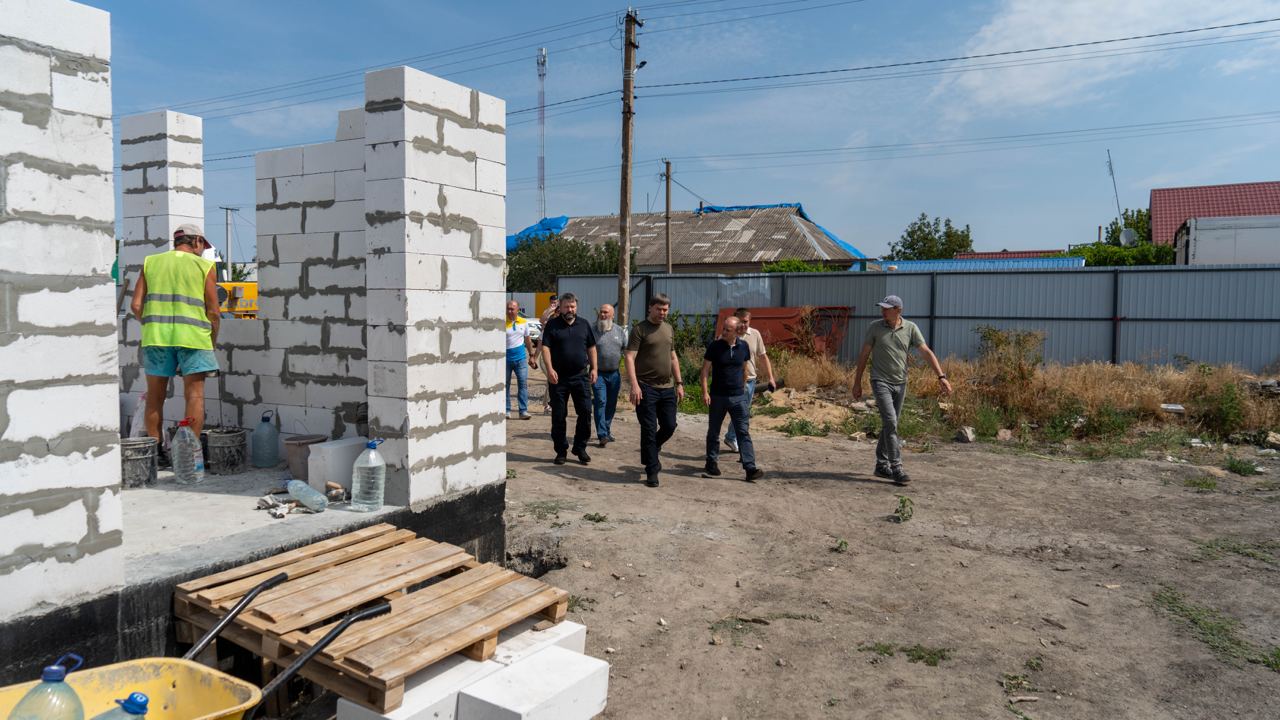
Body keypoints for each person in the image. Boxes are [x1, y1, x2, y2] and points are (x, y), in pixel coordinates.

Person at [129, 223, 221, 463]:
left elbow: (136, 306)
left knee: (155, 396)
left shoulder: (151, 262)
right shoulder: (205, 266)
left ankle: (155, 456)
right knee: (194, 397)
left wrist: (152, 325)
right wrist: (212, 340)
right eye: (202, 246)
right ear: (197, 242)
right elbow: (214, 311)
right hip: (193, 339)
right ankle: (188, 457)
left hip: (156, 338)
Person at [851, 295, 952, 485]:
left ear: (898, 310)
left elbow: (926, 352)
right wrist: (857, 382)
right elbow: (864, 355)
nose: (883, 311)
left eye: (887, 308)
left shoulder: (910, 328)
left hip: (901, 382)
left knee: (891, 424)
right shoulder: (875, 327)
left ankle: (881, 465)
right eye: (882, 308)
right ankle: (896, 468)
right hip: (880, 380)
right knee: (890, 421)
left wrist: (941, 377)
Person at [625, 294, 685, 487]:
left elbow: (673, 357)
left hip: (667, 388)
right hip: (646, 387)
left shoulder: (668, 328)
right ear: (650, 308)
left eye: (665, 310)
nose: (662, 313)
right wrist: (634, 385)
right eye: (659, 309)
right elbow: (629, 358)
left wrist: (680, 382)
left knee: (669, 425)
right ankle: (652, 469)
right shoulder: (639, 330)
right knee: (649, 429)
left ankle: (653, 448)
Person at [701, 316, 765, 482]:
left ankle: (750, 468)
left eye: (727, 330)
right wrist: (705, 392)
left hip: (738, 397)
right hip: (718, 396)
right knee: (714, 432)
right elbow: (705, 371)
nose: (723, 332)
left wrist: (743, 388)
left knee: (743, 431)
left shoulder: (743, 347)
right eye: (724, 328)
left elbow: (744, 369)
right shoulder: (715, 347)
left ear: (736, 332)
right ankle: (711, 463)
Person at [539, 293, 597, 465]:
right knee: (558, 415)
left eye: (572, 306)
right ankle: (561, 450)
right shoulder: (553, 325)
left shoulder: (584, 324)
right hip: (559, 378)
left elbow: (591, 348)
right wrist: (549, 369)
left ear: (576, 307)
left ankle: (580, 447)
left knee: (586, 411)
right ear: (560, 307)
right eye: (566, 307)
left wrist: (594, 368)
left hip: (580, 376)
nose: (570, 310)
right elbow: (546, 348)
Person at [723, 307, 777, 453]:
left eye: (747, 321)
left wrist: (771, 378)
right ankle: (735, 439)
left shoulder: (755, 334)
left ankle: (733, 437)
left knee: (743, 412)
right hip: (733, 381)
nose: (744, 325)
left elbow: (763, 356)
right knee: (740, 412)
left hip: (750, 380)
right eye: (741, 321)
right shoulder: (729, 335)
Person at [591, 304, 627, 448]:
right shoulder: (593, 330)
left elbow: (626, 350)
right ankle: (602, 434)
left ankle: (606, 429)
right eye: (601, 312)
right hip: (597, 373)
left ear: (612, 315)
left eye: (606, 312)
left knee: (611, 404)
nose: (603, 314)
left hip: (614, 374)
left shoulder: (619, 331)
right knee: (600, 401)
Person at [505, 300, 535, 420]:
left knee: (522, 385)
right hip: (505, 359)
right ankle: (506, 410)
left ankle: (523, 411)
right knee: (505, 386)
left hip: (521, 359)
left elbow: (527, 339)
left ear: (518, 310)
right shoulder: (502, 322)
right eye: (508, 309)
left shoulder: (524, 322)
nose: (510, 311)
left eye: (512, 309)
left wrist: (532, 355)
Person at [535, 295, 560, 415]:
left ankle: (550, 403)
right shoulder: (549, 325)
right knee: (551, 379)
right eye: (552, 302)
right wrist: (534, 358)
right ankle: (549, 405)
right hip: (548, 357)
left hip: (560, 358)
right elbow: (540, 342)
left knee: (554, 380)